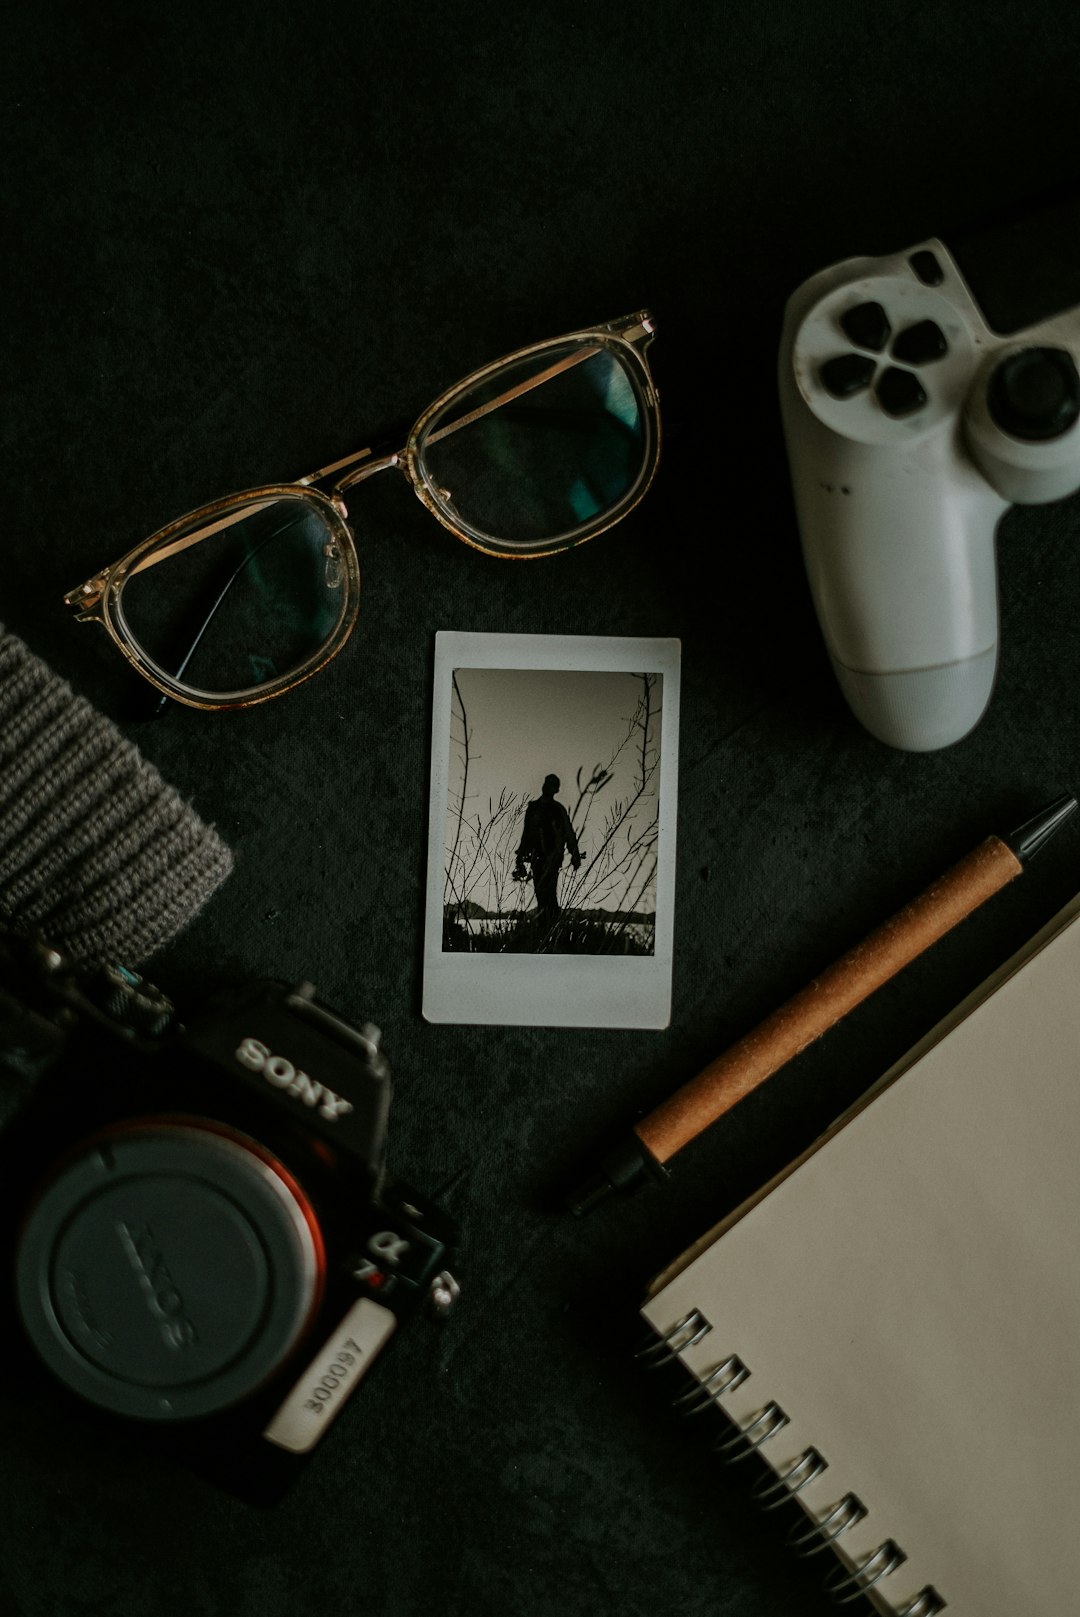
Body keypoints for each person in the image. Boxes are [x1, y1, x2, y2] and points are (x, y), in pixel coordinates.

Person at [513, 774, 581, 931]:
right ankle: (545, 929)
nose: (549, 786)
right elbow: (526, 834)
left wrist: (575, 854)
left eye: (553, 784)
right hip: (537, 859)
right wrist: (520, 858)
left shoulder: (558, 810)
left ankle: (551, 929)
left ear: (556, 789)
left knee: (549, 896)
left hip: (552, 858)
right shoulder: (533, 808)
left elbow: (568, 832)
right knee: (541, 895)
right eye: (548, 783)